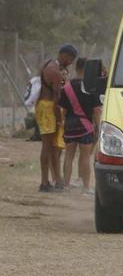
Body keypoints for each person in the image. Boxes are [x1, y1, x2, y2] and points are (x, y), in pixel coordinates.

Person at [36, 44, 78, 192]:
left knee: (53, 146)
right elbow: (57, 98)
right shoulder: (55, 72)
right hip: (49, 109)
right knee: (48, 146)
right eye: (71, 59)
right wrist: (59, 118)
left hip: (42, 106)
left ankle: (56, 180)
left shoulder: (47, 64)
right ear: (65, 56)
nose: (71, 63)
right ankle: (44, 182)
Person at [59, 57, 101, 194]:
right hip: (85, 127)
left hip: (70, 126)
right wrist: (98, 127)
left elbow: (63, 111)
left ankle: (66, 186)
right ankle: (86, 187)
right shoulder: (91, 87)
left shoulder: (67, 87)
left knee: (69, 156)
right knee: (85, 157)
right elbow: (96, 111)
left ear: (76, 68)